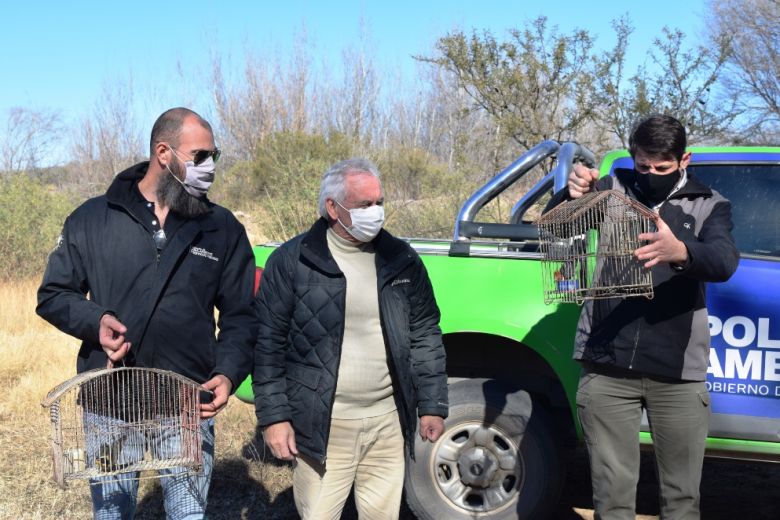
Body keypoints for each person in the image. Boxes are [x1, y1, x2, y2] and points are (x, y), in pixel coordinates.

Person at [37, 107, 258, 519]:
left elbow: (242, 315)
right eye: (200, 156)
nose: (210, 166)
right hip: (110, 407)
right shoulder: (93, 218)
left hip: (188, 407)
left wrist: (229, 372)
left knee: (188, 515)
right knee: (111, 515)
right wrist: (95, 320)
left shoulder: (221, 227)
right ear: (163, 152)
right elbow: (53, 294)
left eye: (214, 156)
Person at [546, 114, 739, 519]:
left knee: (682, 500)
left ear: (684, 159)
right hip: (607, 366)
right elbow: (560, 227)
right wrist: (569, 193)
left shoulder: (709, 204)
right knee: (611, 497)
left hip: (677, 374)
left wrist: (681, 252)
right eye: (643, 166)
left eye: (662, 168)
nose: (651, 175)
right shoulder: (613, 189)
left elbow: (723, 261)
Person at [253, 158, 448, 520]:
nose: (376, 212)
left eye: (379, 202)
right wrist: (274, 417)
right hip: (326, 425)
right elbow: (267, 343)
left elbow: (425, 333)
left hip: (387, 422)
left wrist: (432, 403)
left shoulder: (401, 259)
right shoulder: (293, 261)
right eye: (364, 205)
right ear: (333, 207)